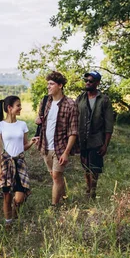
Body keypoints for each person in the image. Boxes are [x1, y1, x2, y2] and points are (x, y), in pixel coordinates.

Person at [0, 96, 38, 225]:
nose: (20, 108)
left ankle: (15, 216)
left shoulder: (22, 125)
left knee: (19, 197)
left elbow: (24, 146)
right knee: (7, 196)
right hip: (6, 163)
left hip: (19, 163)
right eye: (18, 105)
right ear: (9, 108)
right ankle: (8, 223)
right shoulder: (0, 125)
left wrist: (32, 142)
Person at [34, 71, 79, 206]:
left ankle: (54, 207)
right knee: (54, 177)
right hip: (45, 146)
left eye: (51, 84)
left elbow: (73, 131)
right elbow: (41, 119)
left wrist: (66, 153)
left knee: (56, 176)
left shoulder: (70, 104)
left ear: (60, 85)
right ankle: (64, 198)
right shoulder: (45, 101)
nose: (48, 87)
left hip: (60, 147)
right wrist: (38, 121)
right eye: (47, 84)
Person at [76, 71, 115, 199]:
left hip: (96, 138)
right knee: (85, 165)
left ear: (97, 83)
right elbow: (74, 118)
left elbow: (109, 124)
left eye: (91, 81)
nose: (87, 83)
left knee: (94, 167)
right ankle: (88, 188)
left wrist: (105, 144)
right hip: (82, 139)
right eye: (86, 80)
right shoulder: (80, 98)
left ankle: (93, 191)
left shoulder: (104, 100)